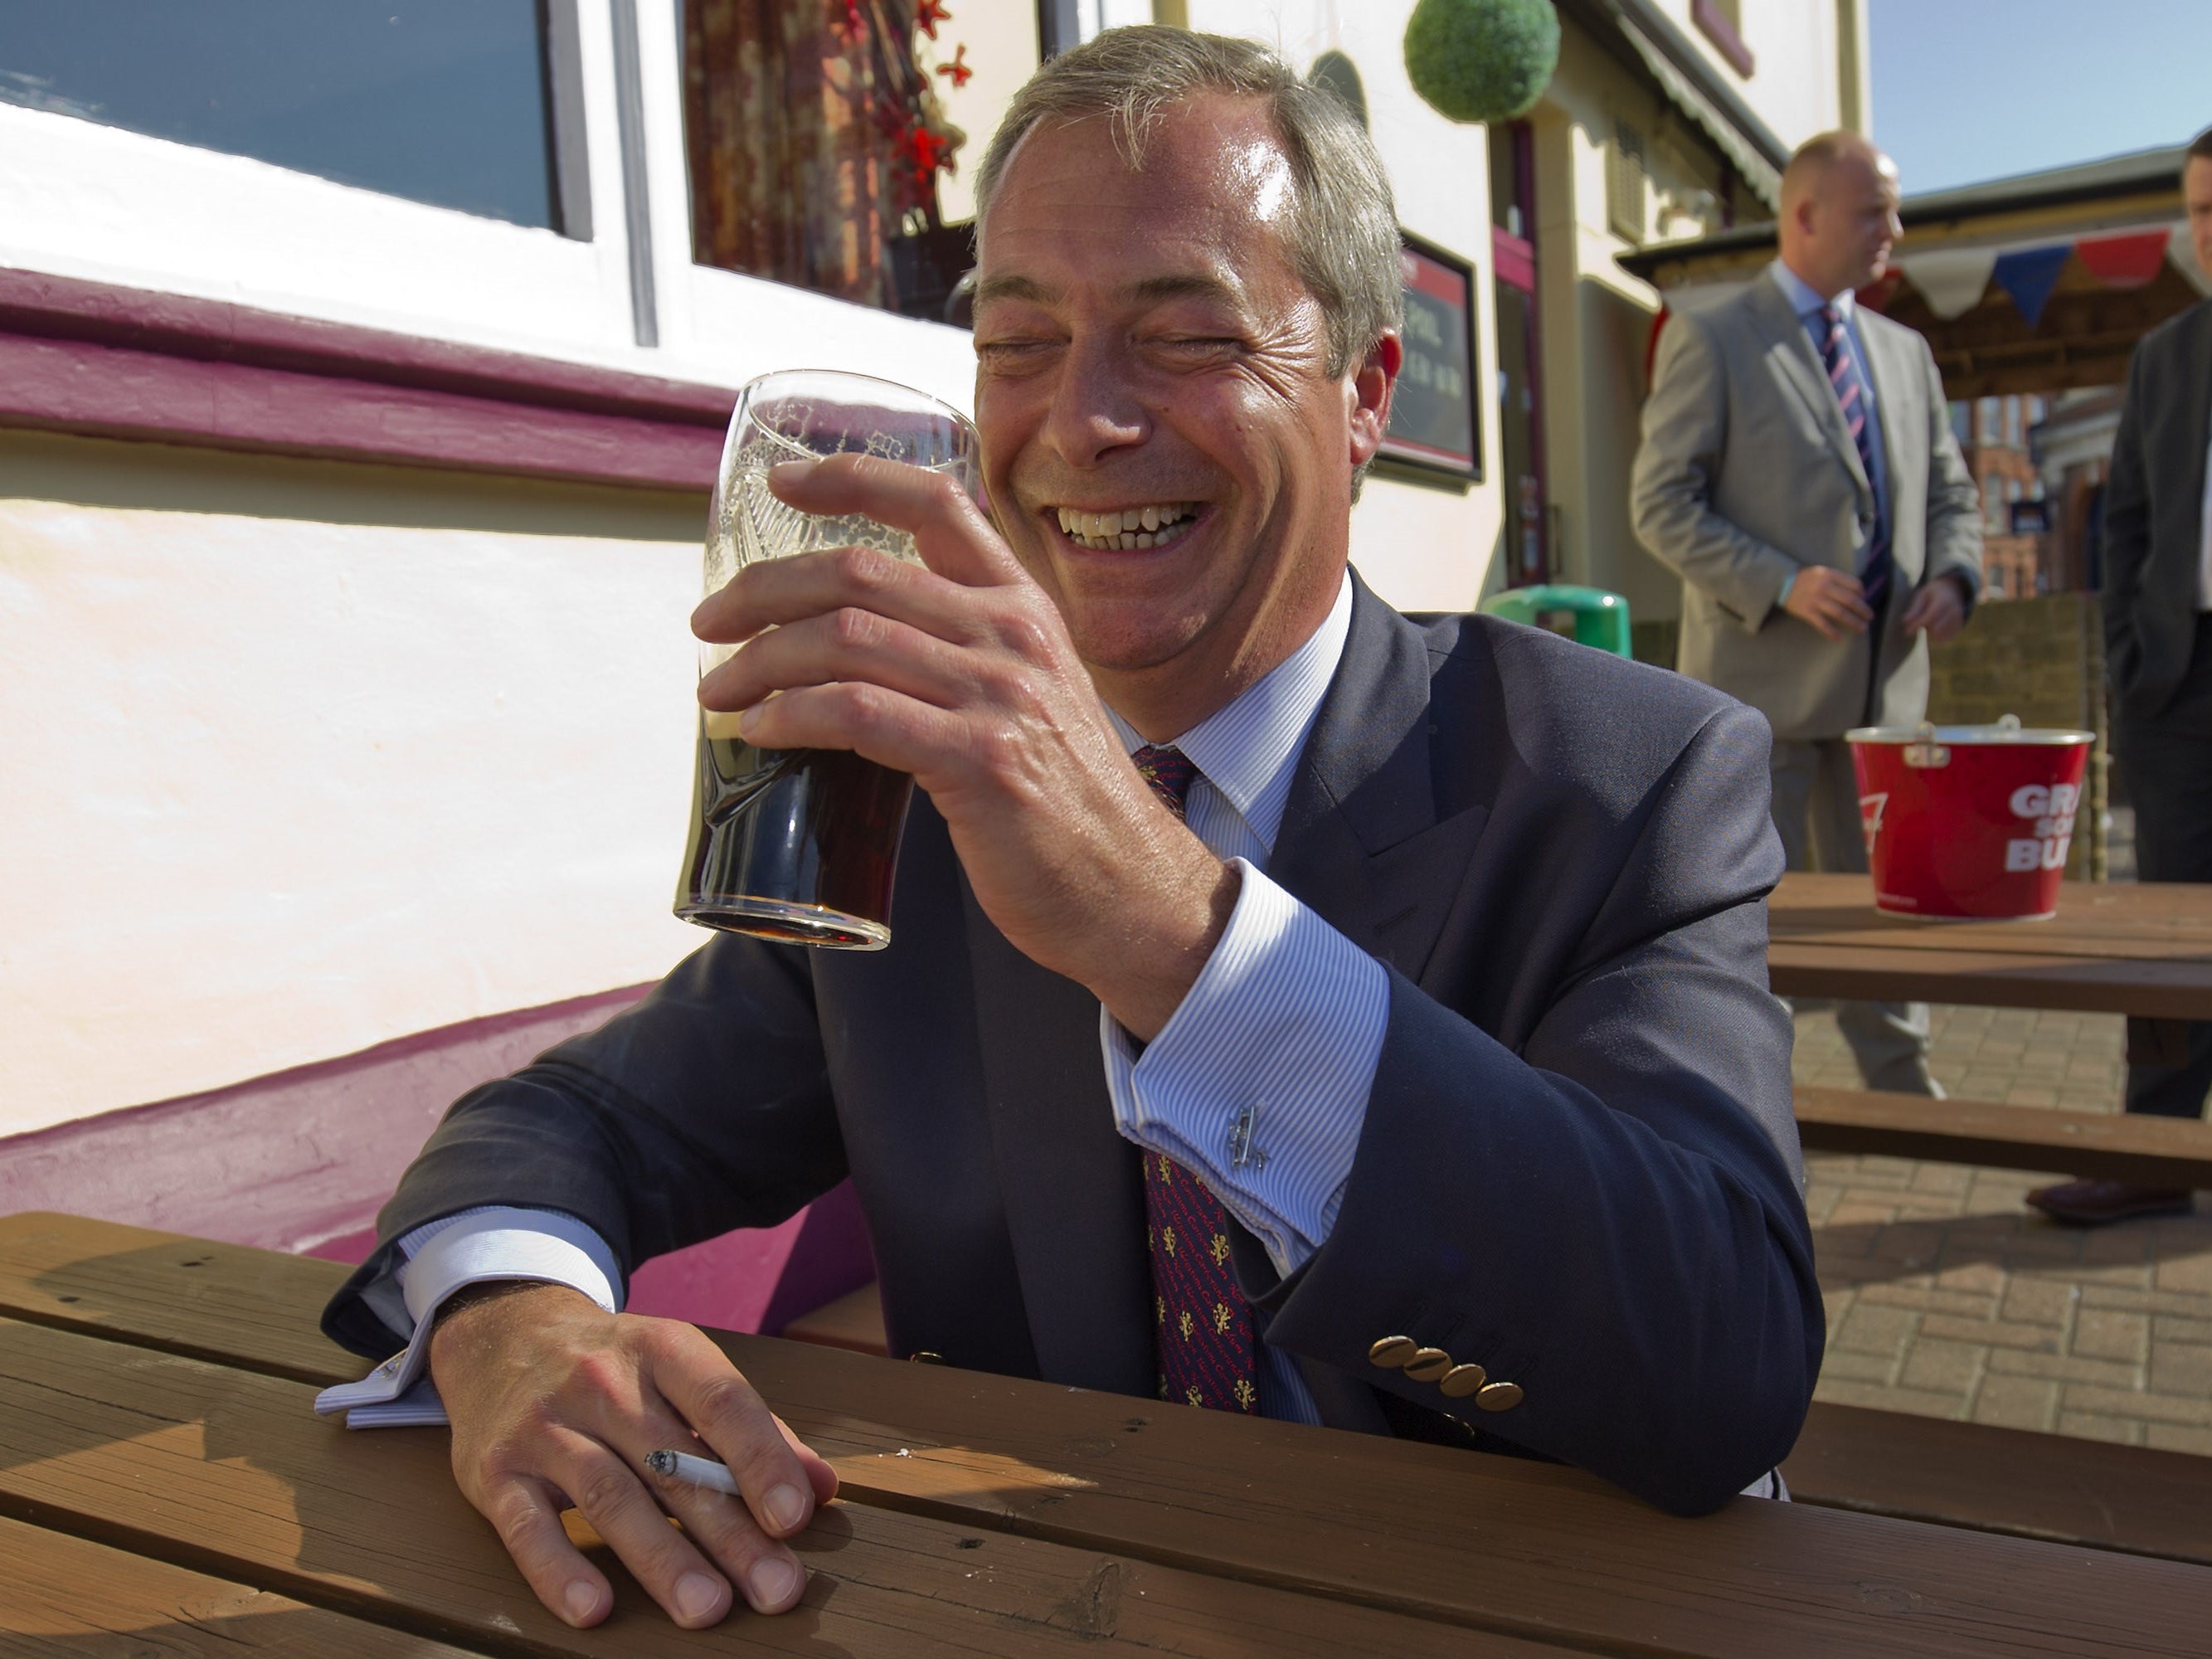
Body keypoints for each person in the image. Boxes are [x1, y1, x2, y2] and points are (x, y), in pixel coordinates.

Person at [320, 27, 1821, 1633]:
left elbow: (1722, 1361)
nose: (1081, 422)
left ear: (1367, 391)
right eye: (1017, 344)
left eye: (1182, 338)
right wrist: (509, 1320)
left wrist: (1171, 933)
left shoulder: (1629, 776)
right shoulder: (907, 801)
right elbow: (575, 1123)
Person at [1631, 131, 1983, 1098]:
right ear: (1804, 216)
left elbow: (1953, 495)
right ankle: (1745, 1113)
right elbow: (1661, 504)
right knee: (1752, 931)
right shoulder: (1712, 333)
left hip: (1888, 704)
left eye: (1895, 210)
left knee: (1891, 915)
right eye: (1875, 212)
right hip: (1761, 706)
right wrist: (1781, 580)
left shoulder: (1905, 354)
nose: (1894, 232)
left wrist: (1955, 577)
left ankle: (1905, 1095)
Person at [2029, 127, 2212, 1226]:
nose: (2209, 231)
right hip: (2179, 679)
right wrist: (2131, 665)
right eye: (2198, 210)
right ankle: (2152, 1154)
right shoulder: (2167, 353)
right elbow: (2126, 524)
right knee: (2164, 935)